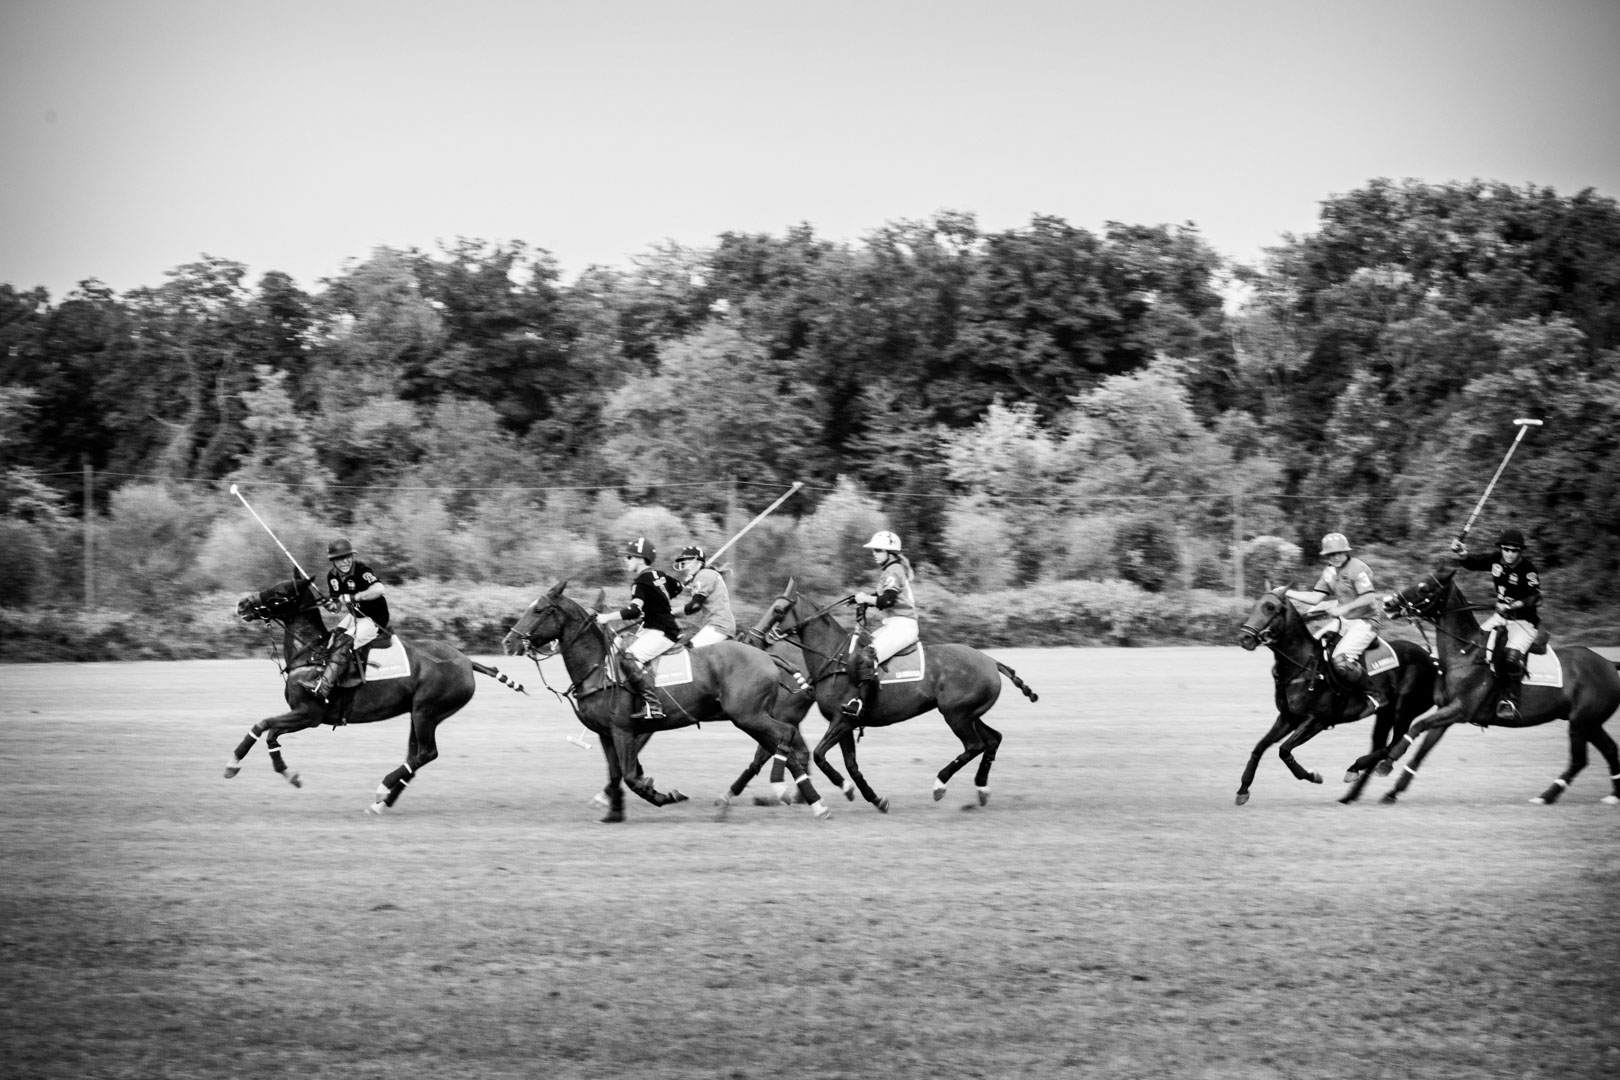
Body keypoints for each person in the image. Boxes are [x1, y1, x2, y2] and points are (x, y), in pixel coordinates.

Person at [1284, 532, 1382, 717]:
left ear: (1346, 552)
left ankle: (1373, 695)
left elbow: (1369, 597)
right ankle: (1326, 693)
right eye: (1331, 554)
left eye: (1338, 553)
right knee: (1313, 649)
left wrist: (1344, 609)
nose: (1335, 557)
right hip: (1344, 622)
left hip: (1366, 621)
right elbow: (1315, 598)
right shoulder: (1329, 571)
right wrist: (1287, 592)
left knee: (1340, 660)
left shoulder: (1358, 568)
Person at [1451, 527, 1542, 719]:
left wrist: (1512, 605)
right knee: (1475, 645)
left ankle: (1511, 700)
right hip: (1501, 618)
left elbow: (1537, 598)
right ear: (1501, 549)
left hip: (1523, 622)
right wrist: (1462, 552)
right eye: (1506, 549)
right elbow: (1473, 563)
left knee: (1511, 657)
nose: (1509, 554)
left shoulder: (1528, 570)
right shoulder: (1496, 560)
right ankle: (1477, 689)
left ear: (1520, 551)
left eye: (1514, 550)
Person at [595, 537, 682, 719]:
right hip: (655, 628)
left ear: (640, 559)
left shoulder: (641, 582)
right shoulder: (660, 575)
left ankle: (653, 706)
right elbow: (678, 587)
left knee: (629, 659)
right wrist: (656, 605)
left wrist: (606, 617)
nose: (625, 560)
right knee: (619, 643)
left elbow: (633, 611)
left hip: (662, 632)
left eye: (628, 557)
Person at [845, 529, 919, 718]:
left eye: (878, 550)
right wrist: (859, 599)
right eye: (874, 551)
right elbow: (879, 597)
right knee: (861, 651)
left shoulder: (894, 570)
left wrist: (865, 599)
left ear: (890, 553)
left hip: (903, 626)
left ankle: (863, 704)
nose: (874, 554)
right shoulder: (890, 570)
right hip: (894, 624)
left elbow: (887, 600)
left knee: (869, 656)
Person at [313, 537, 390, 701]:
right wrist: (330, 605)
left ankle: (325, 689)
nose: (345, 561)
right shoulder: (332, 577)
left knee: (343, 643)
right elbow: (337, 606)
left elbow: (379, 589)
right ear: (333, 561)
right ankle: (330, 677)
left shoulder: (362, 570)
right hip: (355, 615)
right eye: (340, 558)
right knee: (332, 639)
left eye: (348, 557)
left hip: (374, 618)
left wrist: (355, 596)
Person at [672, 545, 735, 648]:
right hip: (718, 626)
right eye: (683, 563)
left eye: (687, 562)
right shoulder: (705, 574)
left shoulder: (704, 575)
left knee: (689, 652)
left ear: (698, 562)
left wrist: (672, 612)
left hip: (718, 627)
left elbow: (694, 606)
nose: (684, 566)